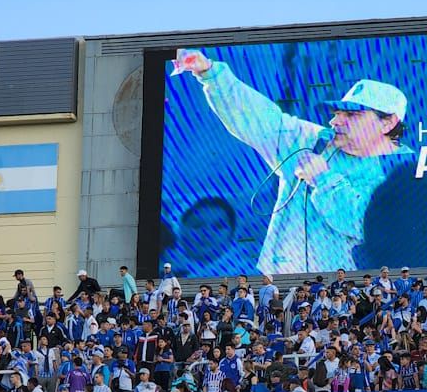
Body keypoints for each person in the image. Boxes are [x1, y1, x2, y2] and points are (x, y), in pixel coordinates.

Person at [176, 48, 414, 275]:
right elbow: (261, 119)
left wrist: (324, 179)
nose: (335, 122)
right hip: (281, 291)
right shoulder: (313, 140)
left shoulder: (407, 175)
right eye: (337, 114)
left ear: (387, 123)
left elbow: (368, 225)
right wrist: (210, 73)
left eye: (351, 115)